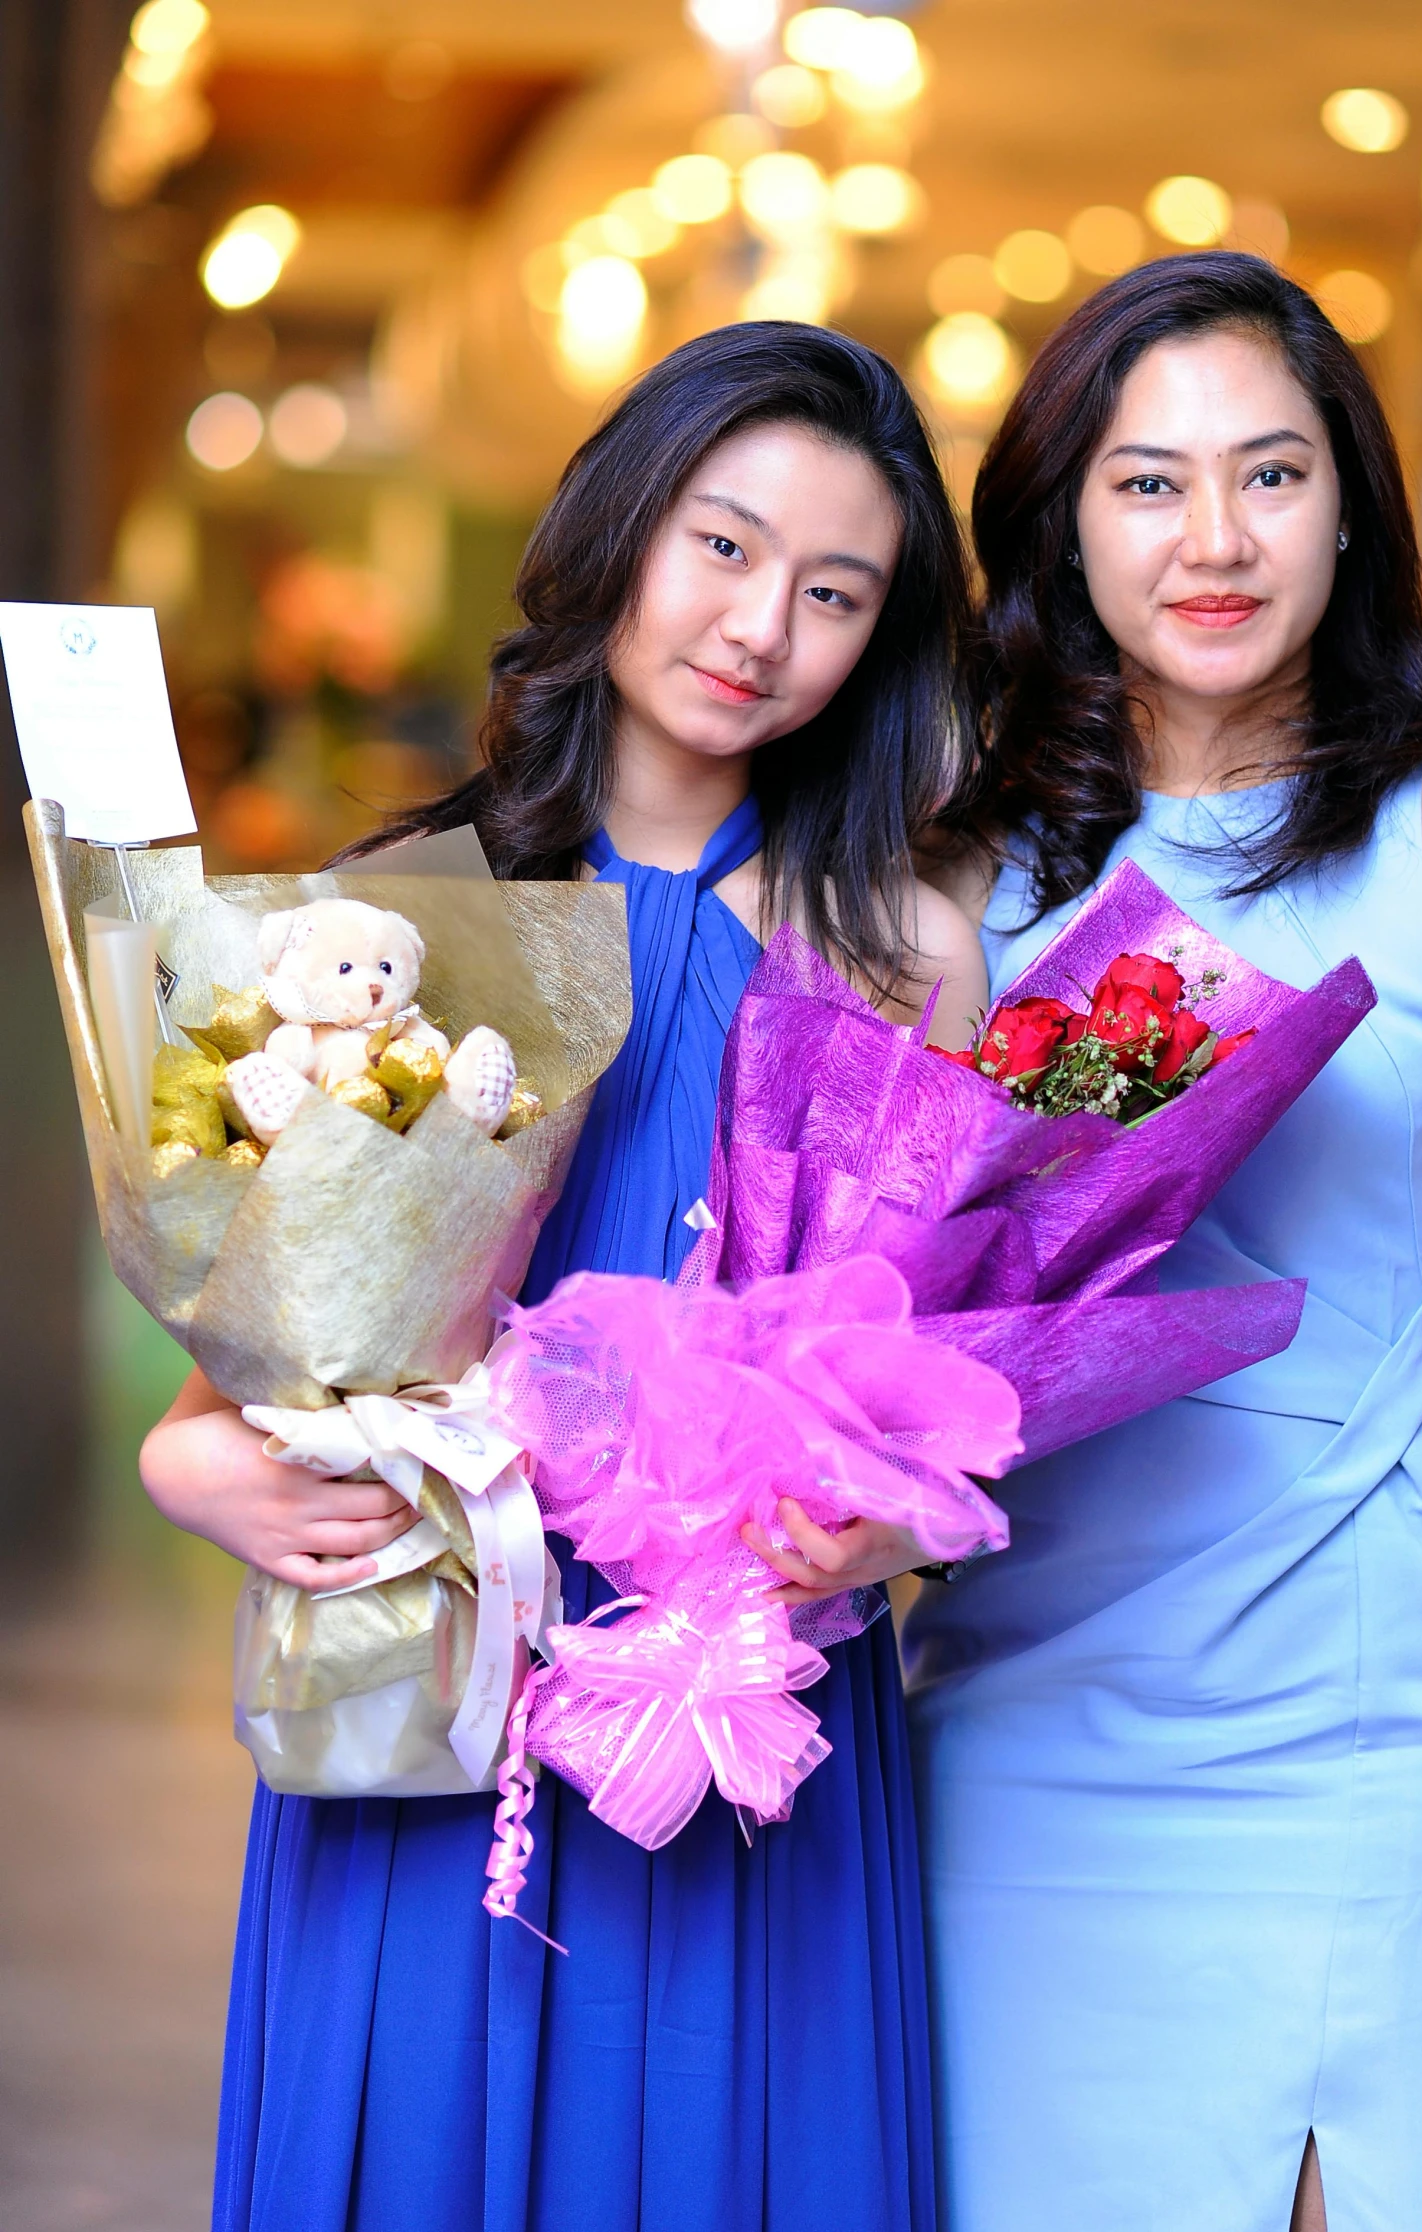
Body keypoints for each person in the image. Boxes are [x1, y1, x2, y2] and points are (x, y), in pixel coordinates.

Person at [139, 322, 985, 2232]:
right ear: (618, 528)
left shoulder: (910, 957)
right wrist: (187, 1473)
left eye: (835, 590)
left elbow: (956, 1390)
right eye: (722, 542)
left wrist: (884, 1530)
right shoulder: (405, 914)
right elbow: (241, 1383)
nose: (761, 624)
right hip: (440, 1714)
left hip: (743, 1718)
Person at [906, 252, 1422, 2232]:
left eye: (1273, 473)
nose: (1215, 539)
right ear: (1063, 524)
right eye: (1148, 483)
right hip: (1028, 1725)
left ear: (1355, 507)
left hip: (1388, 1729)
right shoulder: (953, 888)